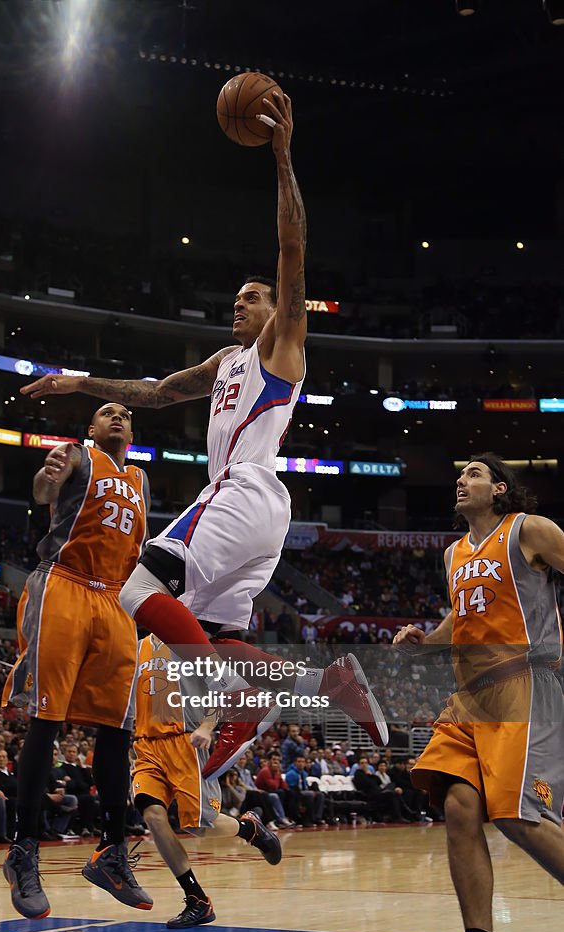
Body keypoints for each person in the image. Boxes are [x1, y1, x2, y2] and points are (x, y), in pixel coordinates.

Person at [20, 91, 388, 775]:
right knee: (215, 635)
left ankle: (234, 696)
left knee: (135, 589)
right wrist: (80, 383)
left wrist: (281, 158)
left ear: (277, 309)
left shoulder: (281, 347)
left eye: (251, 298)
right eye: (237, 301)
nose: (239, 307)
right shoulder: (224, 363)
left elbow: (291, 247)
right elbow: (154, 393)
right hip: (253, 513)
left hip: (242, 491)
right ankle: (320, 685)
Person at [393, 454, 564, 932]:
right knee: (460, 808)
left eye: (473, 472)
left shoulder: (529, 531)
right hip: (468, 700)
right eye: (459, 473)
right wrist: (429, 639)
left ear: (500, 488)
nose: (461, 480)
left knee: (515, 815)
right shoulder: (453, 554)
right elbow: (460, 619)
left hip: (523, 686)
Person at [0, 402, 152, 920]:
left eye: (125, 414)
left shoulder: (140, 479)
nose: (116, 416)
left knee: (119, 728)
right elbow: (44, 491)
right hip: (63, 583)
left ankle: (111, 851)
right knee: (48, 718)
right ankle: (23, 850)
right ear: (90, 427)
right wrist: (46, 478)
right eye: (106, 411)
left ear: (131, 431)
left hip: (114, 599)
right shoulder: (76, 456)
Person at [127, 634, 281, 928]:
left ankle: (250, 828)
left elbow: (220, 693)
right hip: (146, 743)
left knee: (200, 825)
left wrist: (209, 726)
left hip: (186, 739)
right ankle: (197, 898)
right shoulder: (138, 647)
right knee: (153, 815)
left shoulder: (190, 639)